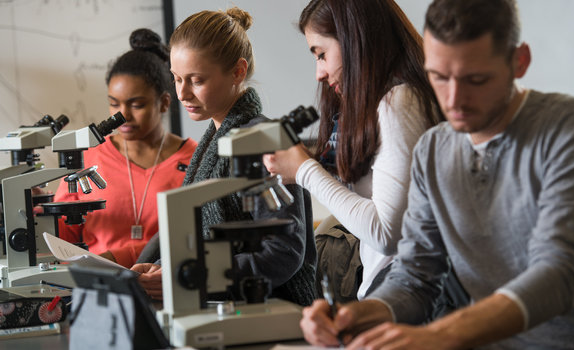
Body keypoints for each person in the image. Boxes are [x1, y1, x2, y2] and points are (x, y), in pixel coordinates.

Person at [299, 0, 574, 348]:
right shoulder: (434, 149)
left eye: (475, 79)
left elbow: (559, 273)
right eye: (438, 76)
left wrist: (437, 334)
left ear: (519, 61)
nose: (454, 100)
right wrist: (360, 314)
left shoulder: (572, 128)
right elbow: (415, 276)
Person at [131, 7, 317, 306]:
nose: (182, 94)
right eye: (177, 79)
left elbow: (283, 254)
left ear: (238, 72)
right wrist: (159, 270)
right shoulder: (211, 142)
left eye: (196, 80)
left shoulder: (261, 142)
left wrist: (189, 277)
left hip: (277, 308)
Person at [263, 0, 442, 300]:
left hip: (408, 300)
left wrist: (305, 172)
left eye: (322, 55)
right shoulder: (383, 104)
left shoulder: (399, 103)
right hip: (387, 293)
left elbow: (386, 235)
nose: (319, 73)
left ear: (354, 40)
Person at [53, 29, 198, 268]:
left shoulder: (195, 159)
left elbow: (199, 238)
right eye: (114, 104)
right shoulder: (86, 159)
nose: (123, 116)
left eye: (137, 105)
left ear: (163, 102)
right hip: (99, 289)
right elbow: (62, 242)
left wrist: (116, 258)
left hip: (171, 287)